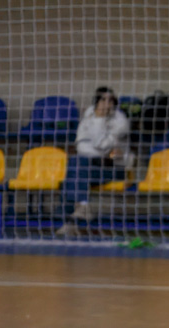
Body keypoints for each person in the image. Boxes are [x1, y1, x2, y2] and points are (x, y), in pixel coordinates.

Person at [56, 87, 132, 237]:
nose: (107, 103)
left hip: (114, 167)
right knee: (76, 169)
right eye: (103, 99)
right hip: (91, 167)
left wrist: (99, 120)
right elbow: (80, 145)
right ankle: (78, 214)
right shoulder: (87, 119)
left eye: (111, 100)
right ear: (96, 102)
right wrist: (98, 151)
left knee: (74, 171)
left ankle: (73, 217)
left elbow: (103, 145)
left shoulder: (120, 122)